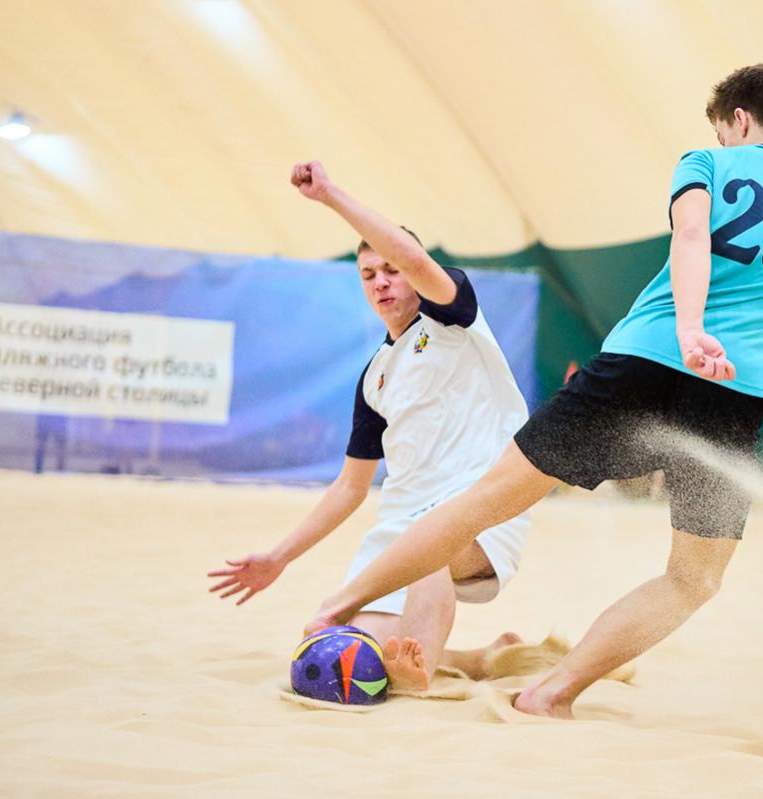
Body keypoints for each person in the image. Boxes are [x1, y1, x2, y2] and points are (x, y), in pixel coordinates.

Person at [299, 64, 763, 719]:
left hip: (642, 360)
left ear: (738, 120)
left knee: (481, 502)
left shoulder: (707, 163)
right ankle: (551, 692)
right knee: (693, 578)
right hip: (732, 395)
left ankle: (337, 607)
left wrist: (692, 327)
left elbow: (691, 236)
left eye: (723, 131)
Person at [207, 171, 536, 691]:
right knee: (344, 657)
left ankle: (420, 677)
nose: (380, 282)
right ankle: (481, 658)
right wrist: (277, 558)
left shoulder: (453, 321)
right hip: (399, 529)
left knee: (428, 545)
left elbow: (417, 262)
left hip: (477, 516)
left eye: (390, 269)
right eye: (367, 274)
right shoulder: (375, 377)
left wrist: (329, 196)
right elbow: (349, 488)